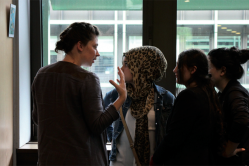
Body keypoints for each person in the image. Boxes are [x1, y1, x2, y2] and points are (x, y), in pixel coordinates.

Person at [32, 22, 127, 166]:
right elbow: (97, 125)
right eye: (94, 46)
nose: (98, 53)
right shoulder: (87, 79)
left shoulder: (41, 74)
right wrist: (122, 98)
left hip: (48, 160)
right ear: (80, 46)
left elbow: (37, 118)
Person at [104, 46, 175, 166]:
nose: (121, 69)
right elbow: (103, 124)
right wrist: (112, 138)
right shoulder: (114, 95)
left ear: (141, 67)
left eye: (126, 64)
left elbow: (170, 136)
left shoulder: (166, 98)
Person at [151, 49, 224, 165]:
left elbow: (174, 137)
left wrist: (155, 159)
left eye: (178, 66)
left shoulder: (189, 96)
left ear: (193, 69)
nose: (175, 70)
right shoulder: (208, 92)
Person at [208, 47, 249, 165]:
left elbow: (242, 120)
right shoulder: (225, 93)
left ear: (222, 71)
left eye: (209, 67)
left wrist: (229, 150)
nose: (207, 72)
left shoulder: (235, 93)